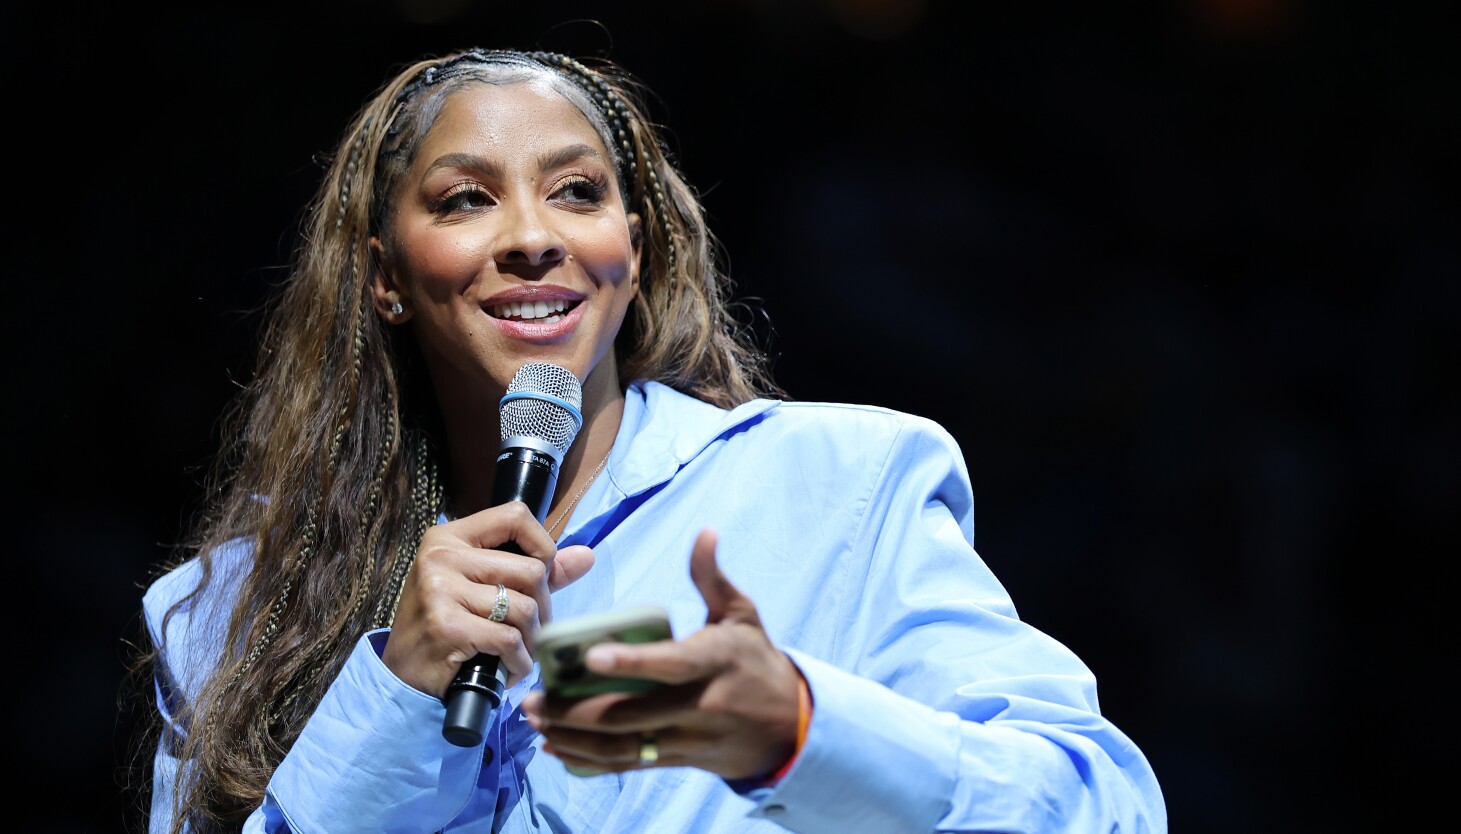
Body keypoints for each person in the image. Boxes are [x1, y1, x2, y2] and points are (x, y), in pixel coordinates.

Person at [133, 46, 1168, 833]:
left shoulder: (839, 486)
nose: (533, 234)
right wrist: (395, 693)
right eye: (466, 199)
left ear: (633, 249)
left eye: (578, 190)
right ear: (385, 276)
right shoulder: (227, 612)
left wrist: (799, 730)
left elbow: (1103, 807)